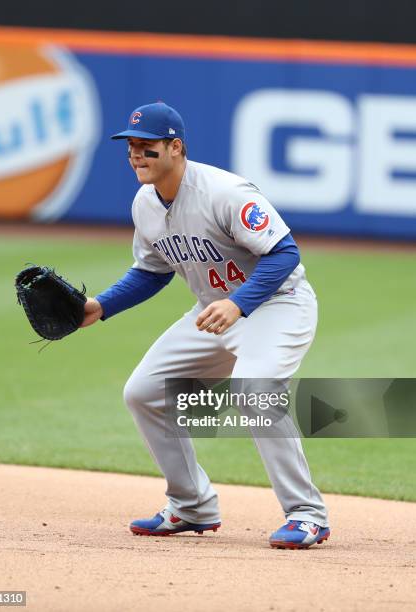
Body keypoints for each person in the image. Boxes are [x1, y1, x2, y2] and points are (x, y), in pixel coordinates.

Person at [82, 102, 330, 549]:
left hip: (278, 305)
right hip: (216, 310)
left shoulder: (225, 192)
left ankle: (306, 514)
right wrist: (101, 306)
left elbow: (284, 253)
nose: (137, 156)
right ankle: (191, 505)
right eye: (131, 148)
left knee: (255, 391)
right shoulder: (145, 203)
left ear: (175, 147)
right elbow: (151, 271)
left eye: (147, 147)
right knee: (144, 392)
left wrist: (239, 304)